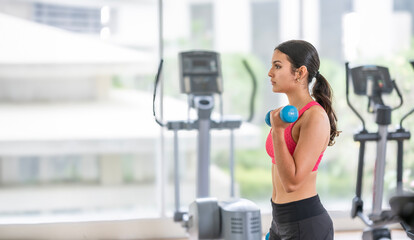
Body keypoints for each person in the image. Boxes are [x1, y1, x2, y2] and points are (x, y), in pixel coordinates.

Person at [265, 40, 340, 240]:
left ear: (300, 72)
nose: (270, 73)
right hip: (280, 220)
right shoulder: (286, 114)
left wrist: (278, 132)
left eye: (278, 66)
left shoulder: (314, 116)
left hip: (305, 224)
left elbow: (292, 183)